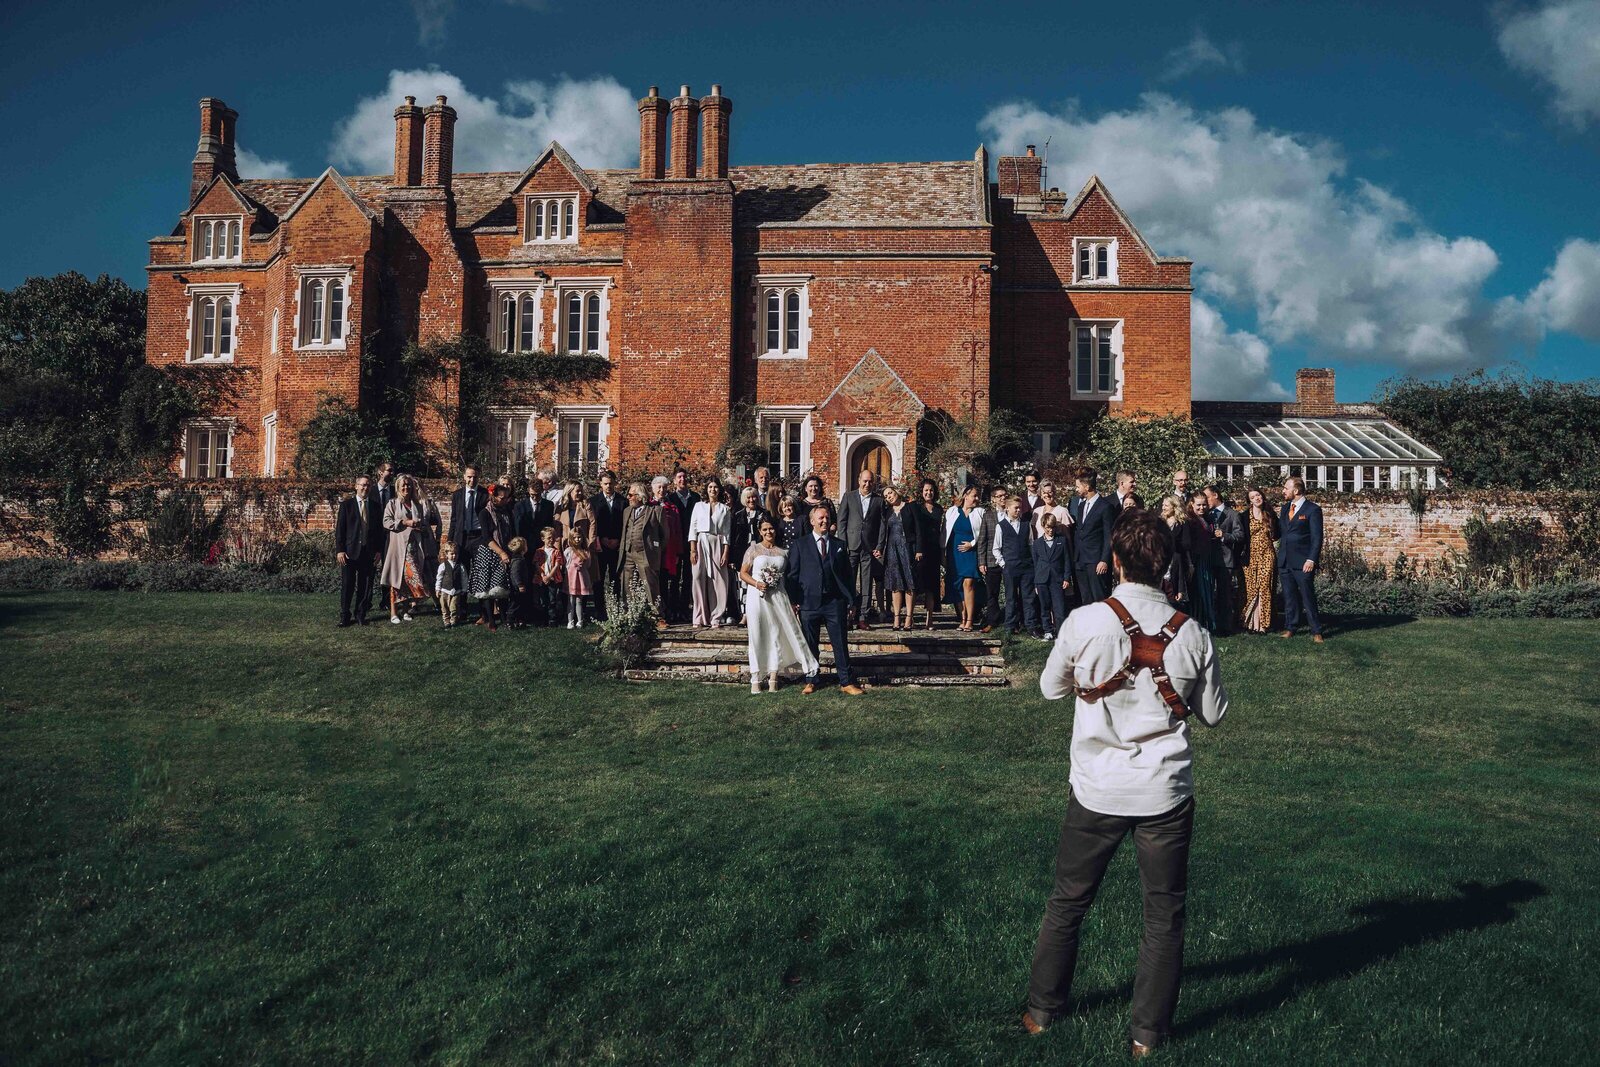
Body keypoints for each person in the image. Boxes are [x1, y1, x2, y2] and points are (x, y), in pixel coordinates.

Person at [1024, 509, 1228, 1055]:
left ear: (1115, 561)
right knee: (1163, 915)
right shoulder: (1193, 634)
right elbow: (1213, 713)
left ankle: (1042, 1012)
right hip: (1164, 790)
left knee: (1069, 901)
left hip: (1097, 785)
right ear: (1166, 565)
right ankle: (1147, 1037)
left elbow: (1049, 688)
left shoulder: (1085, 621)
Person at [784, 504, 863, 695]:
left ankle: (846, 682)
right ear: (812, 521)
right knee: (810, 644)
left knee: (840, 643)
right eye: (820, 518)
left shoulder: (839, 545)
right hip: (808, 602)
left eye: (827, 517)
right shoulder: (800, 545)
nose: (824, 521)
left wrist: (851, 600)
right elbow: (791, 575)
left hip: (834, 602)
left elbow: (847, 576)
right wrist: (794, 600)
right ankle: (811, 680)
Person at [739, 517, 820, 693]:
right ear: (760, 531)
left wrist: (792, 600)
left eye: (771, 529)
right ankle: (756, 677)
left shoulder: (784, 552)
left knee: (775, 634)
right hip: (757, 596)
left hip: (778, 595)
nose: (769, 532)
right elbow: (742, 573)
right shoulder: (753, 549)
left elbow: (789, 577)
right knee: (757, 634)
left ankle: (773, 677)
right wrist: (756, 583)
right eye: (765, 529)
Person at [381, 473, 439, 624]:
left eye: (408, 485)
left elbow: (423, 523)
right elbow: (386, 522)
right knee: (397, 579)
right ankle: (394, 612)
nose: (406, 487)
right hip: (398, 548)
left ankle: (405, 610)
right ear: (398, 488)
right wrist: (404, 522)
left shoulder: (416, 504)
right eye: (403, 485)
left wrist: (420, 526)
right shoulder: (392, 503)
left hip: (415, 547)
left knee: (406, 581)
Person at [838, 468, 888, 628]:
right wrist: (842, 543)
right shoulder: (849, 497)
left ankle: (863, 617)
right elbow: (842, 522)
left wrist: (879, 545)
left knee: (866, 582)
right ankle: (848, 614)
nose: (867, 484)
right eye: (864, 481)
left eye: (870, 481)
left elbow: (882, 525)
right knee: (849, 580)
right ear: (859, 480)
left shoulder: (878, 501)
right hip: (851, 545)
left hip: (869, 547)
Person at [1277, 476, 1325, 642]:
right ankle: (1291, 627)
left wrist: (1311, 559)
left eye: (1286, 488)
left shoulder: (1312, 510)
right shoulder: (1284, 509)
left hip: (1303, 561)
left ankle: (1316, 630)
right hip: (1284, 561)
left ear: (1295, 491)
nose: (1283, 491)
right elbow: (1280, 532)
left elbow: (1317, 538)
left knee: (1307, 596)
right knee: (1289, 597)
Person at [334, 474, 382, 626]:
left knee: (365, 585)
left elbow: (379, 532)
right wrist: (340, 550)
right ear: (356, 486)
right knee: (347, 585)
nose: (365, 488)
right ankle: (345, 616)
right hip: (349, 552)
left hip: (368, 552)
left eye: (368, 485)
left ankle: (361, 614)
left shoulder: (375, 506)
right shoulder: (346, 505)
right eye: (362, 485)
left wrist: (379, 551)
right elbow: (340, 530)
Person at [468, 484, 515, 630]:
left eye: (507, 497)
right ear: (493, 497)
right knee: (487, 589)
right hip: (489, 552)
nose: (505, 500)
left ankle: (503, 617)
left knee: (500, 587)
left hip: (504, 550)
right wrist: (501, 552)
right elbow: (487, 537)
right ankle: (491, 620)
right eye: (502, 498)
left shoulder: (507, 511)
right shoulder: (485, 513)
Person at [687, 478, 732, 627]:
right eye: (710, 487)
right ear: (707, 489)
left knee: (718, 581)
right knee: (698, 578)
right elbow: (693, 529)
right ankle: (699, 617)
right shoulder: (698, 506)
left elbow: (726, 533)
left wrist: (725, 552)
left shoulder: (724, 509)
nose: (713, 490)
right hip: (700, 542)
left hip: (717, 543)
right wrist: (693, 549)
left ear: (719, 490)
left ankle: (716, 617)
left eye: (715, 487)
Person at [1069, 470, 1117, 605]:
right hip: (1080, 560)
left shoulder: (1105, 507)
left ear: (1087, 487)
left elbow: (1109, 535)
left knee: (1099, 597)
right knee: (1085, 598)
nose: (1076, 489)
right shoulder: (1081, 505)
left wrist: (1104, 560)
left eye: (1078, 486)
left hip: (1096, 561)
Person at [997, 494, 1041, 638]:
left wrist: (1032, 564)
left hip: (1026, 567)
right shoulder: (1001, 526)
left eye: (1020, 508)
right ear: (1007, 508)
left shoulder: (1025, 524)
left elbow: (1031, 544)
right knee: (1011, 597)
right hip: (1010, 567)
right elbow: (996, 548)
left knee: (1028, 597)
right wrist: (1004, 564)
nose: (1018, 510)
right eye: (1015, 508)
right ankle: (1010, 626)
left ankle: (1031, 626)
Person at [945, 485, 987, 631]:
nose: (977, 499)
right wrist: (942, 553)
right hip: (954, 554)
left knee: (968, 583)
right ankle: (962, 618)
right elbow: (945, 532)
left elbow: (983, 533)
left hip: (971, 553)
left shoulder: (980, 512)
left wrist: (972, 544)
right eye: (974, 495)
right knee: (957, 585)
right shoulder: (952, 512)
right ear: (965, 496)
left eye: (977, 496)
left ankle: (970, 619)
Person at [1204, 485, 1244, 636]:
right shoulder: (1206, 514)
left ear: (1215, 495)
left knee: (1224, 595)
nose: (1206, 501)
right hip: (1208, 560)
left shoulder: (1232, 514)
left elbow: (1240, 536)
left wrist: (1224, 535)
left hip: (1225, 561)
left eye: (1207, 497)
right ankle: (1210, 625)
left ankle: (1226, 627)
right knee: (1208, 594)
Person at [620, 481, 665, 613]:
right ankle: (630, 614)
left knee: (650, 585)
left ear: (640, 496)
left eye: (630, 495)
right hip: (628, 553)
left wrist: (655, 550)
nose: (628, 497)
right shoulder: (627, 511)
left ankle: (657, 615)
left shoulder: (655, 510)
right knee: (628, 584)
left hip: (645, 553)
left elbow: (664, 535)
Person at [1239, 487, 1280, 634]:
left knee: (1264, 587)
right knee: (1252, 590)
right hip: (1250, 556)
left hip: (1267, 554)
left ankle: (1263, 624)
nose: (1256, 498)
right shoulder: (1243, 516)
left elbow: (1278, 534)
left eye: (1258, 495)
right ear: (1249, 501)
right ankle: (1251, 623)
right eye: (1252, 497)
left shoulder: (1270, 515)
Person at [727, 486, 769, 624]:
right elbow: (732, 537)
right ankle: (745, 615)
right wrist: (732, 558)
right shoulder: (738, 515)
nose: (752, 500)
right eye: (749, 497)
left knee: (758, 582)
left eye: (754, 497)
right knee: (743, 587)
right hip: (742, 555)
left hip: (759, 553)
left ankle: (759, 614)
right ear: (744, 499)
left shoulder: (764, 514)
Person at [880, 485, 919, 630]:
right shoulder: (887, 511)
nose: (889, 496)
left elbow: (918, 529)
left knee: (909, 583)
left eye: (890, 493)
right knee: (895, 584)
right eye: (886, 496)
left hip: (908, 548)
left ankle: (909, 617)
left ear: (896, 491)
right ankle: (897, 617)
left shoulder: (910, 507)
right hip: (892, 549)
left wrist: (919, 550)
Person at [667, 469, 700, 622]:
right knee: (674, 577)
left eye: (684, 477)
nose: (682, 480)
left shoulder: (695, 498)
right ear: (674, 481)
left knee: (689, 577)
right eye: (679, 477)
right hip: (675, 543)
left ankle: (685, 609)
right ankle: (673, 609)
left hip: (692, 542)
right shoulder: (670, 498)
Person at [911, 478, 944, 630]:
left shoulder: (938, 509)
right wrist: (918, 548)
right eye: (926, 490)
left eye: (931, 490)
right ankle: (910, 618)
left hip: (934, 551)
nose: (928, 493)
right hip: (920, 551)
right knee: (916, 586)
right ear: (921, 492)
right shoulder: (917, 508)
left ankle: (929, 619)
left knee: (932, 587)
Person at [1032, 511, 1071, 640]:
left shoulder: (1061, 541)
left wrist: (1066, 578)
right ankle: (1048, 631)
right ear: (1043, 526)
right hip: (1042, 580)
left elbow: (1066, 560)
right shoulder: (1037, 543)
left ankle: (1060, 633)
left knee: (1059, 608)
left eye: (1053, 527)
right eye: (1048, 527)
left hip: (1057, 579)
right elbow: (1035, 563)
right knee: (1044, 606)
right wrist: (1036, 582)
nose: (1050, 530)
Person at [589, 471, 626, 600]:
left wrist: (617, 539)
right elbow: (592, 523)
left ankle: (615, 607)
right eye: (605, 484)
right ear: (600, 484)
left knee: (615, 577)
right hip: (600, 546)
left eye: (610, 483)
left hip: (617, 546)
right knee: (598, 578)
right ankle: (600, 608)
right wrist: (601, 538)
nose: (608, 486)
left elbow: (625, 523)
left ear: (615, 483)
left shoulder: (623, 501)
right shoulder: (593, 502)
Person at [650, 476, 684, 610]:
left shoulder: (672, 508)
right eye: (659, 487)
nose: (661, 490)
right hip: (652, 551)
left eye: (664, 487)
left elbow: (677, 531)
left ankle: (667, 611)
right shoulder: (648, 506)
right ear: (653, 488)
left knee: (667, 581)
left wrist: (677, 553)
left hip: (668, 551)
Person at [1186, 493, 1218, 633]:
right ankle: (1197, 624)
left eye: (1204, 504)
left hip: (1206, 559)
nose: (1201, 507)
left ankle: (1207, 623)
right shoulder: (1190, 520)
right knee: (1198, 593)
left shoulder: (1207, 518)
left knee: (1207, 591)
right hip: (1196, 561)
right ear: (1192, 504)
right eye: (1198, 505)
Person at [446, 465, 484, 577]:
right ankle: (462, 594)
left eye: (475, 477)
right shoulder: (457, 495)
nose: (472, 480)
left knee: (480, 570)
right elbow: (454, 519)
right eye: (469, 477)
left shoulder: (485, 494)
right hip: (462, 537)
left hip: (479, 536)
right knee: (462, 570)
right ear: (464, 477)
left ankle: (478, 594)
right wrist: (450, 540)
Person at [980, 485, 1008, 633]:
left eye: (1005, 495)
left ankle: (1012, 622)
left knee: (1011, 592)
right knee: (992, 593)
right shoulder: (988, 515)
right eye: (999, 496)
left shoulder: (1012, 513)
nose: (1003, 498)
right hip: (991, 560)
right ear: (993, 499)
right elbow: (982, 539)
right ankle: (992, 621)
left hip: (1008, 559)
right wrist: (981, 561)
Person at [1159, 495, 1192, 608]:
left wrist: (1170, 541)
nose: (1163, 508)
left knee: (1174, 596)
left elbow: (1187, 543)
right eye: (1163, 505)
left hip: (1176, 562)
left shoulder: (1182, 523)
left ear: (1174, 507)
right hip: (1161, 560)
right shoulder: (1160, 522)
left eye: (1166, 505)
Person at [514, 479, 556, 552]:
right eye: (532, 495)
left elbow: (549, 525)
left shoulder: (548, 505)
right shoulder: (520, 506)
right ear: (528, 491)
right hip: (525, 543)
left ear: (542, 491)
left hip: (541, 543)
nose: (535, 498)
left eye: (537, 495)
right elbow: (517, 527)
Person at [534, 526, 564, 626]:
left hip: (553, 579)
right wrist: (543, 576)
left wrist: (549, 576)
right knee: (542, 600)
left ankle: (552, 620)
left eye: (553, 537)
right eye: (549, 538)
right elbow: (537, 564)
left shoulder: (556, 551)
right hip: (541, 579)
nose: (551, 540)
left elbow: (557, 565)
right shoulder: (539, 551)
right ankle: (543, 619)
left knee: (552, 599)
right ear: (543, 539)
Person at [564, 531, 593, 627]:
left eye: (579, 537)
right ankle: (570, 621)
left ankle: (580, 620)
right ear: (571, 539)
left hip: (581, 579)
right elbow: (565, 564)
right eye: (575, 537)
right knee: (570, 600)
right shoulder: (568, 551)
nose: (577, 539)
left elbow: (588, 565)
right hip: (571, 578)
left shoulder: (586, 552)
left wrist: (581, 566)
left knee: (579, 600)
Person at [505, 536, 533, 629]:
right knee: (515, 604)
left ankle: (519, 621)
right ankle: (509, 621)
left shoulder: (519, 559)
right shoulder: (517, 561)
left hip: (518, 587)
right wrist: (520, 584)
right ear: (523, 548)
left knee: (520, 604)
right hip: (516, 588)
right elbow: (515, 574)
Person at [435, 542, 465, 628]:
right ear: (446, 554)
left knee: (454, 607)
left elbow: (464, 578)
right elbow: (439, 578)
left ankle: (454, 621)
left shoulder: (460, 566)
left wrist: (464, 589)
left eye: (456, 554)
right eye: (452, 554)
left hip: (456, 591)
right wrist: (437, 589)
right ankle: (446, 621)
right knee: (444, 608)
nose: (454, 556)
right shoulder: (443, 566)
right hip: (444, 591)